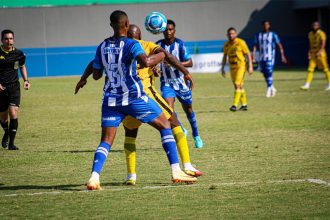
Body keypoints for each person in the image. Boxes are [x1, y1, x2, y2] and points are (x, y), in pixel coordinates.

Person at [75, 10, 197, 190]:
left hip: (110, 101)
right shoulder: (132, 44)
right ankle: (176, 170)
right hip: (133, 97)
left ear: (111, 25)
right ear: (126, 24)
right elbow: (147, 62)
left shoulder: (102, 46)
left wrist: (84, 78)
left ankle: (94, 177)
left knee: (106, 141)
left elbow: (96, 74)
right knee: (165, 124)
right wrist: (162, 55)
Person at [156, 19, 203, 148]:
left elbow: (190, 62)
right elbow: (153, 62)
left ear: (174, 30)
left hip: (181, 83)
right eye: (166, 30)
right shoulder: (158, 46)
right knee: (168, 109)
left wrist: (174, 63)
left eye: (170, 29)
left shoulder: (180, 44)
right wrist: (155, 68)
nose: (168, 32)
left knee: (188, 110)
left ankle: (196, 135)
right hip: (166, 83)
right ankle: (181, 128)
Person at [0, 29, 31, 150]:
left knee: (13, 113)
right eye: (6, 39)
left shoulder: (19, 54)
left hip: (14, 87)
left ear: (14, 39)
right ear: (2, 40)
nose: (9, 41)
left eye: (11, 38)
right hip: (1, 89)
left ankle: (12, 143)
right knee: (3, 117)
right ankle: (7, 133)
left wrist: (26, 81)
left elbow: (22, 67)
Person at [252, 20, 287, 97]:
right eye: (264, 25)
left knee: (269, 71)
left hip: (270, 57)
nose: (266, 26)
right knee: (264, 73)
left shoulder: (273, 34)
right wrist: (253, 57)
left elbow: (279, 45)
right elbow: (254, 46)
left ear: (269, 26)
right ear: (262, 26)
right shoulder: (258, 35)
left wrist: (282, 55)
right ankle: (272, 87)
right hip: (261, 57)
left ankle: (268, 89)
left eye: (267, 25)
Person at [221, 27, 253, 112]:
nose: (231, 35)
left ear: (236, 34)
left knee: (237, 84)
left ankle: (234, 105)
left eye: (232, 33)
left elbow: (248, 54)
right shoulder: (226, 44)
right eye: (229, 34)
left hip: (241, 67)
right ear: (227, 35)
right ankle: (244, 105)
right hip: (232, 68)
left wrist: (250, 66)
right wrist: (223, 68)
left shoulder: (241, 42)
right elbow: (224, 56)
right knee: (239, 86)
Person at [300, 21, 330, 91]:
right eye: (313, 25)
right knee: (310, 69)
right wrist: (309, 52)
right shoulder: (310, 34)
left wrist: (320, 51)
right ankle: (307, 85)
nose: (314, 27)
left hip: (321, 53)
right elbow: (310, 44)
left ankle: (329, 84)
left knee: (325, 69)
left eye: (316, 25)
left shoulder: (322, 33)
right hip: (313, 53)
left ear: (319, 26)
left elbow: (323, 44)